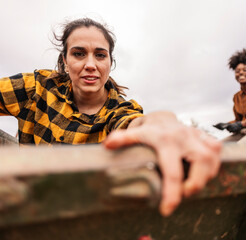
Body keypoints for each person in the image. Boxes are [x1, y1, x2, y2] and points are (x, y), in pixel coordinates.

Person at [0, 18, 221, 217]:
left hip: (86, 215)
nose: (90, 65)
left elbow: (136, 121)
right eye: (78, 54)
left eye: (100, 55)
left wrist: (164, 124)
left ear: (109, 63)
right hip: (27, 207)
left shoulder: (117, 110)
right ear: (65, 62)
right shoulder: (37, 87)